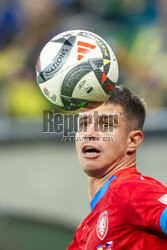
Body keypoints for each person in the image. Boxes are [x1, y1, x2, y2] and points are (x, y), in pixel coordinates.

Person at [67, 86, 167, 250]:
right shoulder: (83, 233)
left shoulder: (130, 190)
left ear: (133, 141)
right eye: (84, 124)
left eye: (105, 124)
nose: (89, 133)